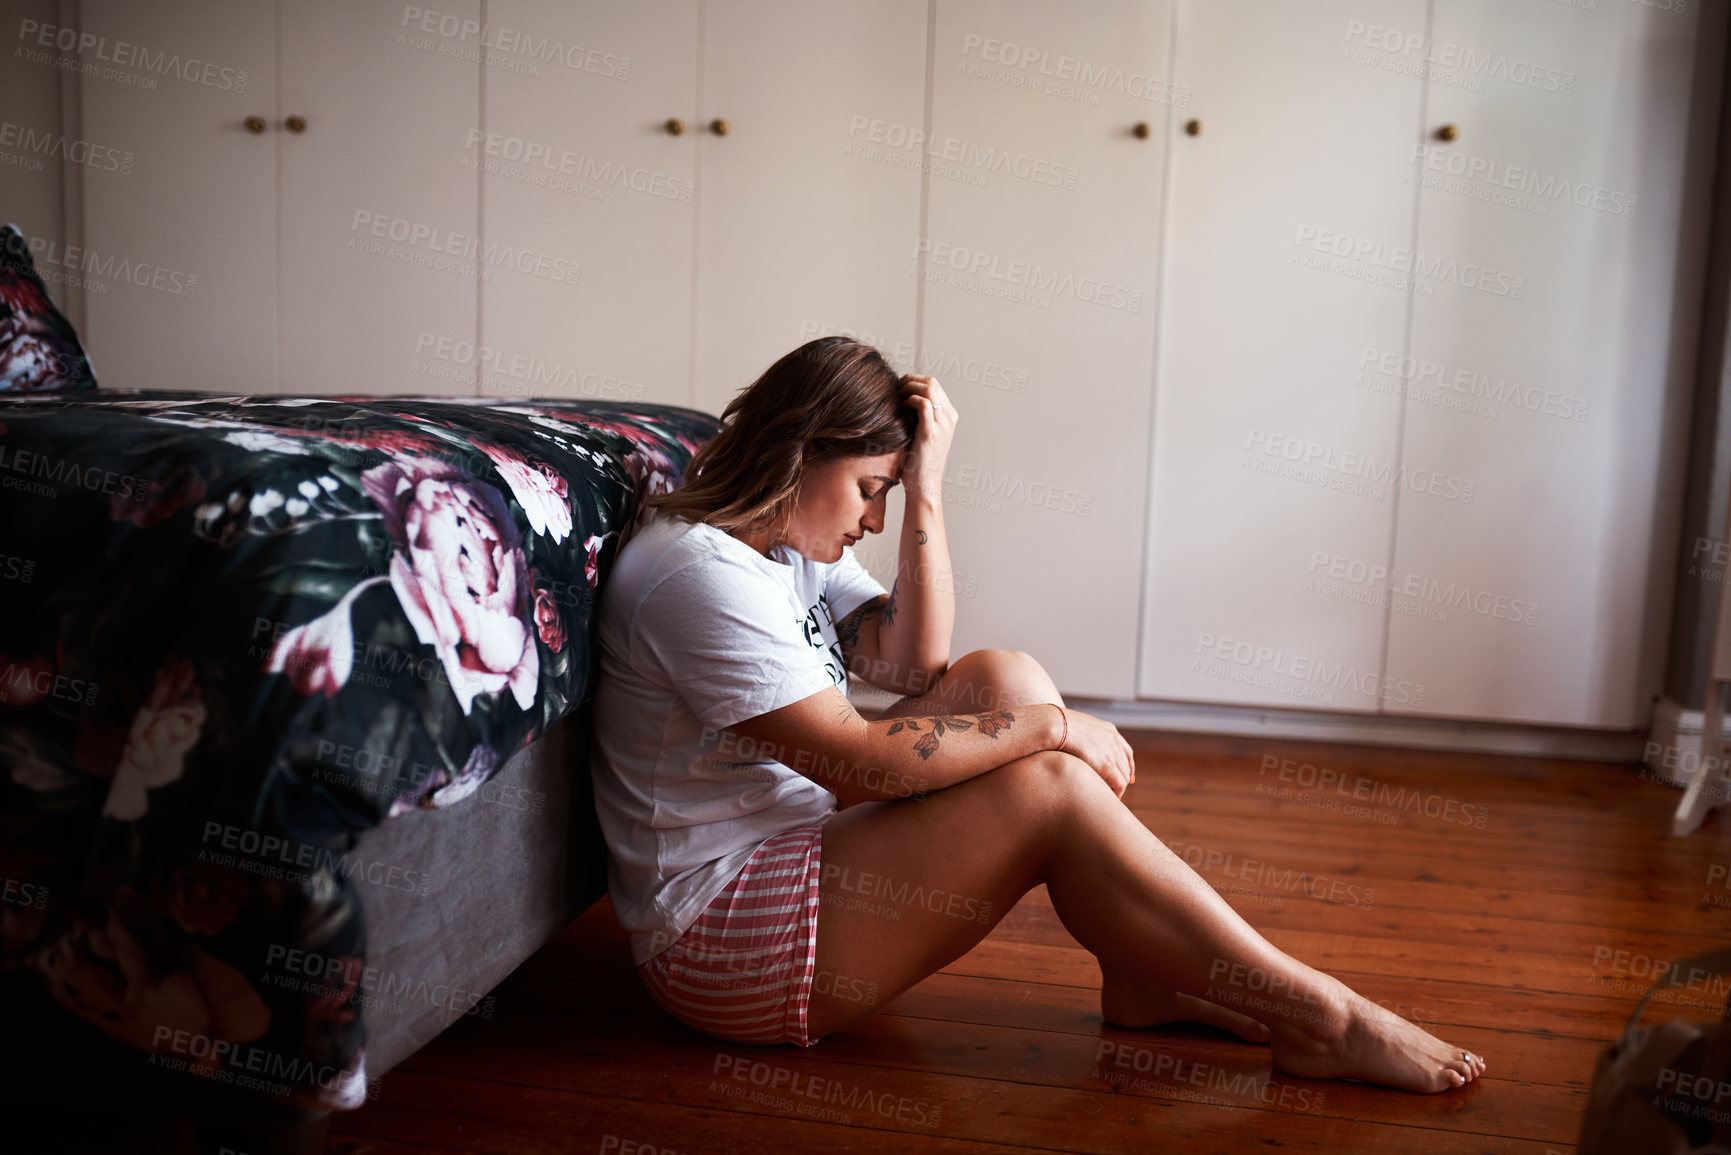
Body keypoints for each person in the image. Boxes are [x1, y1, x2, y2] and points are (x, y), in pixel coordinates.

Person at [590, 336, 1486, 1093]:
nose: (873, 519)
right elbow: (859, 763)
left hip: (794, 850)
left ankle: (1139, 973)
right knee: (1046, 778)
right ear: (799, 453)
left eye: (888, 495)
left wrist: (929, 486)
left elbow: (912, 665)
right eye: (870, 488)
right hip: (720, 942)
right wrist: (1056, 730)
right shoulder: (699, 574)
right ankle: (1320, 1015)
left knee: (1003, 677)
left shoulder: (773, 543)